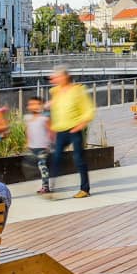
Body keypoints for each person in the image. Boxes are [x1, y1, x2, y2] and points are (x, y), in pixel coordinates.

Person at [47, 68, 94, 199]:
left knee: (79, 159)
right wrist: (51, 128)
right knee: (56, 159)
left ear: (65, 77)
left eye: (57, 77)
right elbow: (55, 111)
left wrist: (81, 124)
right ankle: (53, 189)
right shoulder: (56, 92)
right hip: (60, 130)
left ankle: (85, 189)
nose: (54, 80)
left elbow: (89, 110)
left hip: (74, 129)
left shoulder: (78, 90)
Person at [24, 96, 54, 195]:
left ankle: (45, 187)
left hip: (43, 147)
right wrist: (27, 142)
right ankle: (45, 184)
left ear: (41, 106)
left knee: (42, 166)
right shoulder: (28, 119)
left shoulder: (44, 118)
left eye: (37, 104)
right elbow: (28, 131)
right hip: (33, 147)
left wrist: (50, 143)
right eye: (31, 104)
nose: (34, 106)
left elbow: (51, 131)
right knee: (39, 166)